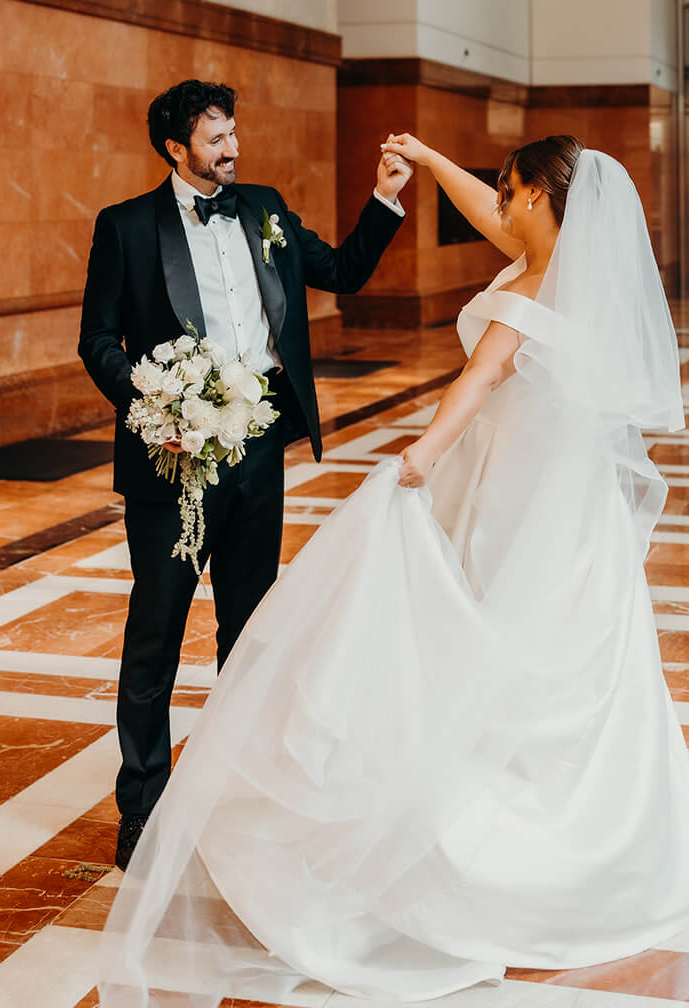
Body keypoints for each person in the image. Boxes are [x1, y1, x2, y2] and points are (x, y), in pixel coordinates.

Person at [97, 134, 689, 1007]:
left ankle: (487, 851)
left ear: (536, 197)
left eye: (509, 189)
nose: (497, 201)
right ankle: (606, 842)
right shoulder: (575, 267)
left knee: (483, 646)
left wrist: (415, 456)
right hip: (570, 507)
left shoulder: (530, 287)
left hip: (509, 496)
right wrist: (426, 159)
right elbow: (484, 217)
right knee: (576, 660)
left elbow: (480, 378)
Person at [78, 79, 411, 873]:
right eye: (216, 137)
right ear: (175, 148)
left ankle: (240, 790)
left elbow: (345, 271)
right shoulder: (125, 226)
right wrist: (158, 404)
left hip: (259, 449)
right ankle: (143, 807)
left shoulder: (262, 207)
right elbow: (98, 342)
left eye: (233, 132)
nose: (233, 148)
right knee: (155, 633)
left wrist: (385, 201)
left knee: (249, 630)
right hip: (175, 457)